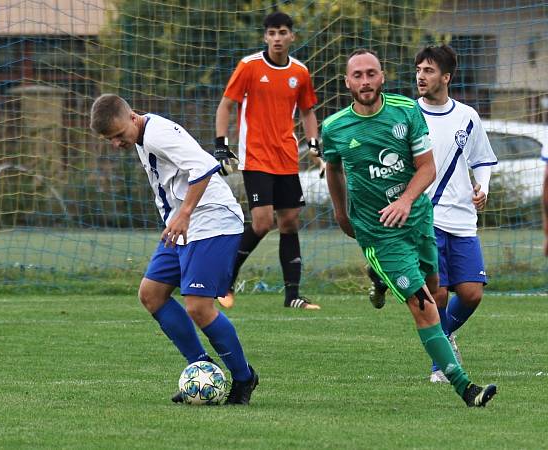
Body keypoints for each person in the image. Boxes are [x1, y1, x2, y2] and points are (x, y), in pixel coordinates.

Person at [321, 48, 496, 407]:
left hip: (418, 219)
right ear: (347, 82)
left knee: (435, 291)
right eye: (358, 75)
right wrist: (341, 214)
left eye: (372, 73)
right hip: (378, 231)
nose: (365, 81)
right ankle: (464, 386)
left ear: (382, 76)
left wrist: (405, 201)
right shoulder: (334, 127)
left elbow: (426, 168)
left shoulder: (406, 112)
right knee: (424, 304)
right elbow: (333, 169)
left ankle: (379, 276)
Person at [89, 94, 259, 404]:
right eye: (109, 140)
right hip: (183, 225)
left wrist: (184, 213)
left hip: (212, 221)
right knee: (151, 294)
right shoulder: (142, 135)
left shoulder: (157, 134)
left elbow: (206, 166)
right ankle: (202, 369)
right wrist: (179, 217)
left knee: (198, 306)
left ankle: (244, 378)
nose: (116, 144)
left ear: (132, 117)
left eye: (118, 136)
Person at [214, 11, 321, 310]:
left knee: (289, 222)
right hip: (256, 156)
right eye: (272, 33)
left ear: (292, 37)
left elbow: (308, 111)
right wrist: (221, 144)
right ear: (265, 37)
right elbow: (226, 105)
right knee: (262, 223)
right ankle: (225, 283)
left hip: (286, 158)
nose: (277, 38)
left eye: (283, 32)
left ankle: (293, 296)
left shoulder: (300, 72)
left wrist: (314, 142)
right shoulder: (249, 66)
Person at [412, 44, 498, 383]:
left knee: (472, 293)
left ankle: (444, 335)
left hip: (463, 217)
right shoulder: (408, 114)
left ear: (446, 77)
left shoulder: (467, 116)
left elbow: (482, 159)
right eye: (418, 69)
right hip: (426, 217)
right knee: (439, 292)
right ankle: (441, 365)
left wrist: (484, 186)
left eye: (429, 70)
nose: (421, 75)